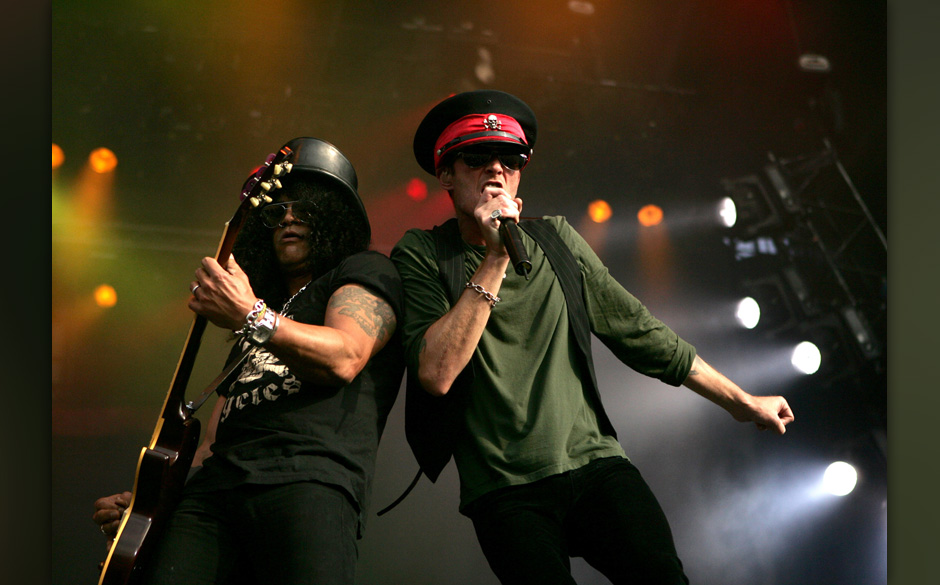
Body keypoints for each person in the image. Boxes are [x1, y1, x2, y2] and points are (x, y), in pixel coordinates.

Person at [389, 90, 795, 585]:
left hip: (595, 464)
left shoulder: (557, 239)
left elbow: (639, 332)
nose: (496, 171)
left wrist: (739, 400)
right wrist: (496, 257)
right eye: (477, 159)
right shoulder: (423, 253)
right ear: (446, 174)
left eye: (510, 160)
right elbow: (435, 373)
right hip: (504, 491)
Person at [93, 137, 404, 585]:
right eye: (276, 212)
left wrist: (250, 315)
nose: (289, 218)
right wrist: (152, 504)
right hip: (214, 492)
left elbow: (345, 356)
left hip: (306, 478)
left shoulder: (364, 272)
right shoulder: (266, 310)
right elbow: (213, 436)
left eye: (306, 208)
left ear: (332, 216)